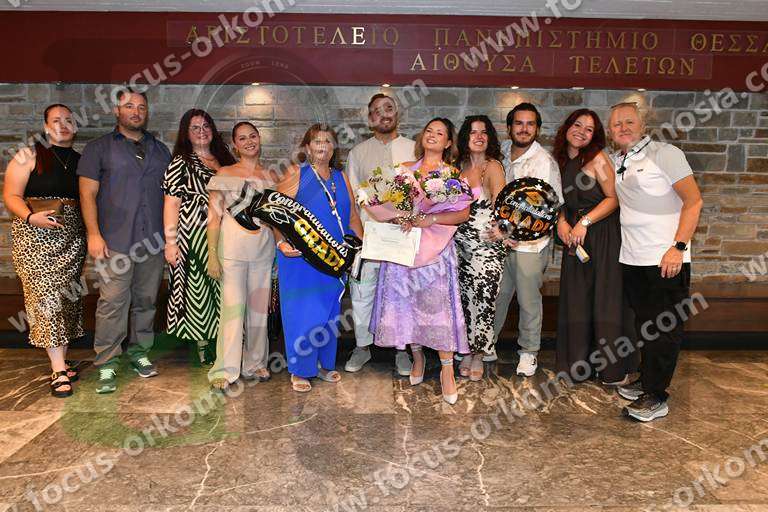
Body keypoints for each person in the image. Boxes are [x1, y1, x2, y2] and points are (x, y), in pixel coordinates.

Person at [608, 102, 703, 422]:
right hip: (633, 259)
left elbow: (694, 201)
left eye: (629, 122)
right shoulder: (618, 159)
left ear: (643, 125)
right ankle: (648, 380)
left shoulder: (666, 154)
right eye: (617, 124)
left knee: (664, 329)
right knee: (645, 325)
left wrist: (678, 247)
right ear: (610, 131)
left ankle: (657, 396)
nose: (623, 128)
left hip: (665, 258)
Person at [370, 117, 471, 404]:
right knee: (408, 307)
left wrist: (431, 219)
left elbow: (462, 214)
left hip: (436, 251)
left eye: (440, 133)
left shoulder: (452, 176)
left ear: (448, 143)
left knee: (438, 311)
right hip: (404, 251)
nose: (433, 135)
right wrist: (398, 217)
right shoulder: (403, 171)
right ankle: (418, 359)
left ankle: (447, 370)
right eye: (429, 130)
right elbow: (384, 206)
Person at [77, 88, 171, 394]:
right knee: (112, 303)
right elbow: (87, 194)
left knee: (146, 302)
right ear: (117, 111)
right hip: (114, 241)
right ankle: (107, 361)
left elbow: (171, 197)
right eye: (129, 106)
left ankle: (140, 352)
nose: (136, 111)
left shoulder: (160, 150)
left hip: (152, 241)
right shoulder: (98, 148)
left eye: (141, 107)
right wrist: (93, 233)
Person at [3, 104, 86, 397]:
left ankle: (61, 358)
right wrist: (30, 217)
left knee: (66, 299)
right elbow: (11, 195)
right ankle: (58, 369)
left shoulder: (81, 161)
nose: (63, 125)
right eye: (56, 120)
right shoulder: (28, 155)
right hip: (35, 237)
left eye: (68, 120)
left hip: (72, 239)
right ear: (45, 126)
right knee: (46, 299)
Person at [276, 124, 364, 393]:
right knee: (304, 313)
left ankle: (324, 364)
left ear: (334, 147)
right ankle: (300, 369)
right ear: (307, 147)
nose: (322, 145)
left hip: (334, 259)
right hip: (301, 258)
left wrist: (363, 247)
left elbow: (351, 216)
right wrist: (281, 242)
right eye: (317, 141)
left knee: (328, 313)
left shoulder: (341, 177)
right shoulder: (297, 173)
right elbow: (276, 212)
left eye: (328, 140)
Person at [552, 108, 637, 385]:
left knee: (605, 301)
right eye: (577, 125)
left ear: (595, 136)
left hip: (602, 235)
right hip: (574, 239)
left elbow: (613, 199)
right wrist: (562, 223)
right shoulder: (559, 161)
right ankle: (578, 366)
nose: (581, 132)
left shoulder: (597, 158)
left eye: (589, 129)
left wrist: (584, 222)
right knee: (577, 299)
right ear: (567, 127)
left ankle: (611, 369)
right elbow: (555, 200)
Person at [344, 93, 416, 375]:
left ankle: (401, 350)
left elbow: (422, 196)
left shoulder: (414, 149)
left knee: (401, 295)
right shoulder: (358, 153)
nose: (384, 114)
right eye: (376, 110)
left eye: (389, 108)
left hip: (403, 236)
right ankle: (362, 347)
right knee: (362, 291)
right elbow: (351, 199)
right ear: (369, 118)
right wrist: (359, 235)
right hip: (369, 236)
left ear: (397, 113)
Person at [494, 103, 563, 377]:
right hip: (498, 240)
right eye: (519, 123)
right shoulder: (500, 152)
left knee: (528, 299)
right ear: (509, 127)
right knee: (497, 295)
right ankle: (487, 344)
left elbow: (548, 208)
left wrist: (512, 234)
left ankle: (529, 352)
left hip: (530, 245)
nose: (524, 129)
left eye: (530, 124)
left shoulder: (544, 162)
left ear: (537, 129)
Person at [163, 109, 235, 366]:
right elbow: (171, 203)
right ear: (186, 133)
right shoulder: (181, 162)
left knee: (225, 288)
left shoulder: (225, 160)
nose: (201, 131)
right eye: (195, 127)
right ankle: (204, 342)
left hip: (228, 234)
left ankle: (227, 340)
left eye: (206, 126)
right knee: (200, 289)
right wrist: (171, 242)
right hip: (194, 234)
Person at [206, 122, 275, 391]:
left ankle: (255, 363)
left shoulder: (271, 175)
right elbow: (213, 218)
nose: (249, 142)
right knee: (232, 312)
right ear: (235, 145)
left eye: (253, 136)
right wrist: (213, 256)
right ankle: (225, 369)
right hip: (232, 252)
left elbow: (278, 219)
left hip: (263, 251)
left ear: (260, 139)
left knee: (258, 311)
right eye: (242, 138)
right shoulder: (224, 173)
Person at [453, 115, 507, 381]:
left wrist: (503, 230)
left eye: (483, 132)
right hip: (458, 246)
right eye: (473, 132)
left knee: (483, 300)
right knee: (463, 300)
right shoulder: (457, 168)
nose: (479, 136)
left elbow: (504, 207)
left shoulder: (493, 167)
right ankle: (465, 349)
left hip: (486, 247)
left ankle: (478, 354)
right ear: (465, 137)